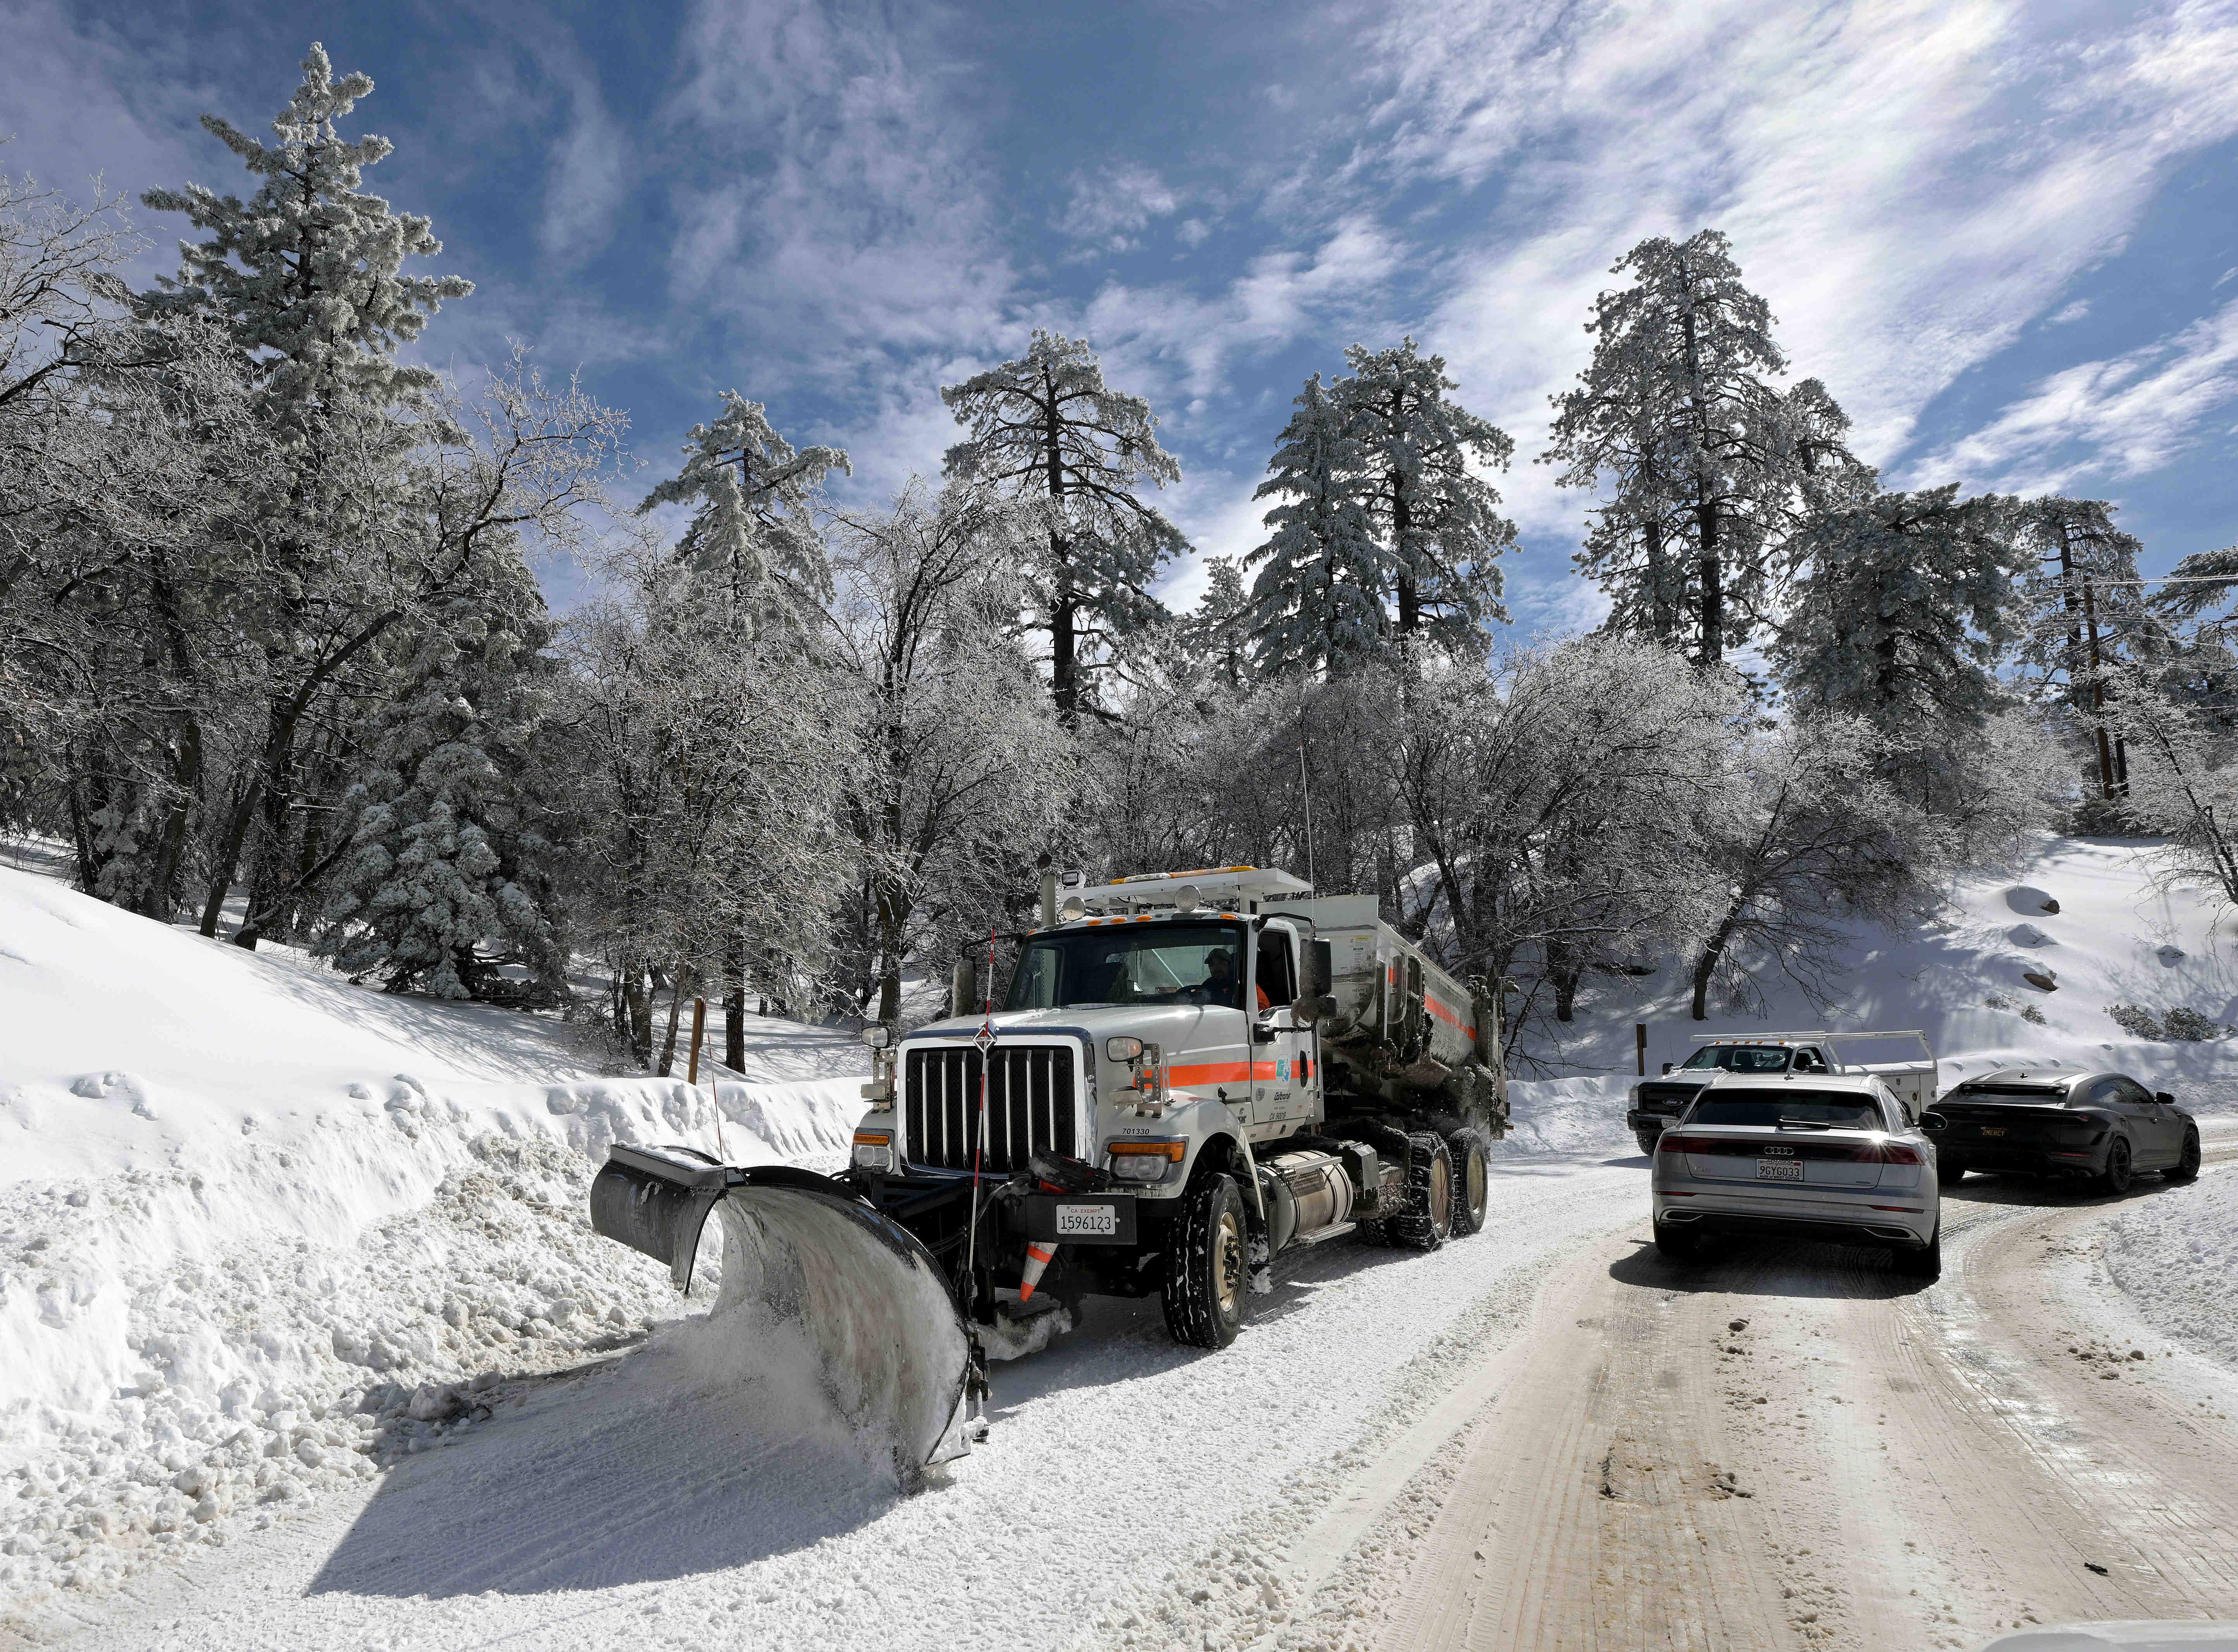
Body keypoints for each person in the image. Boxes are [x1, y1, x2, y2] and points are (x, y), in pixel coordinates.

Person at [1202, 949, 1270, 1011]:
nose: (1217, 968)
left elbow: (1261, 1010)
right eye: (1213, 965)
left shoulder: (1246, 985)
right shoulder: (1206, 986)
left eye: (1221, 963)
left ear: (1230, 966)